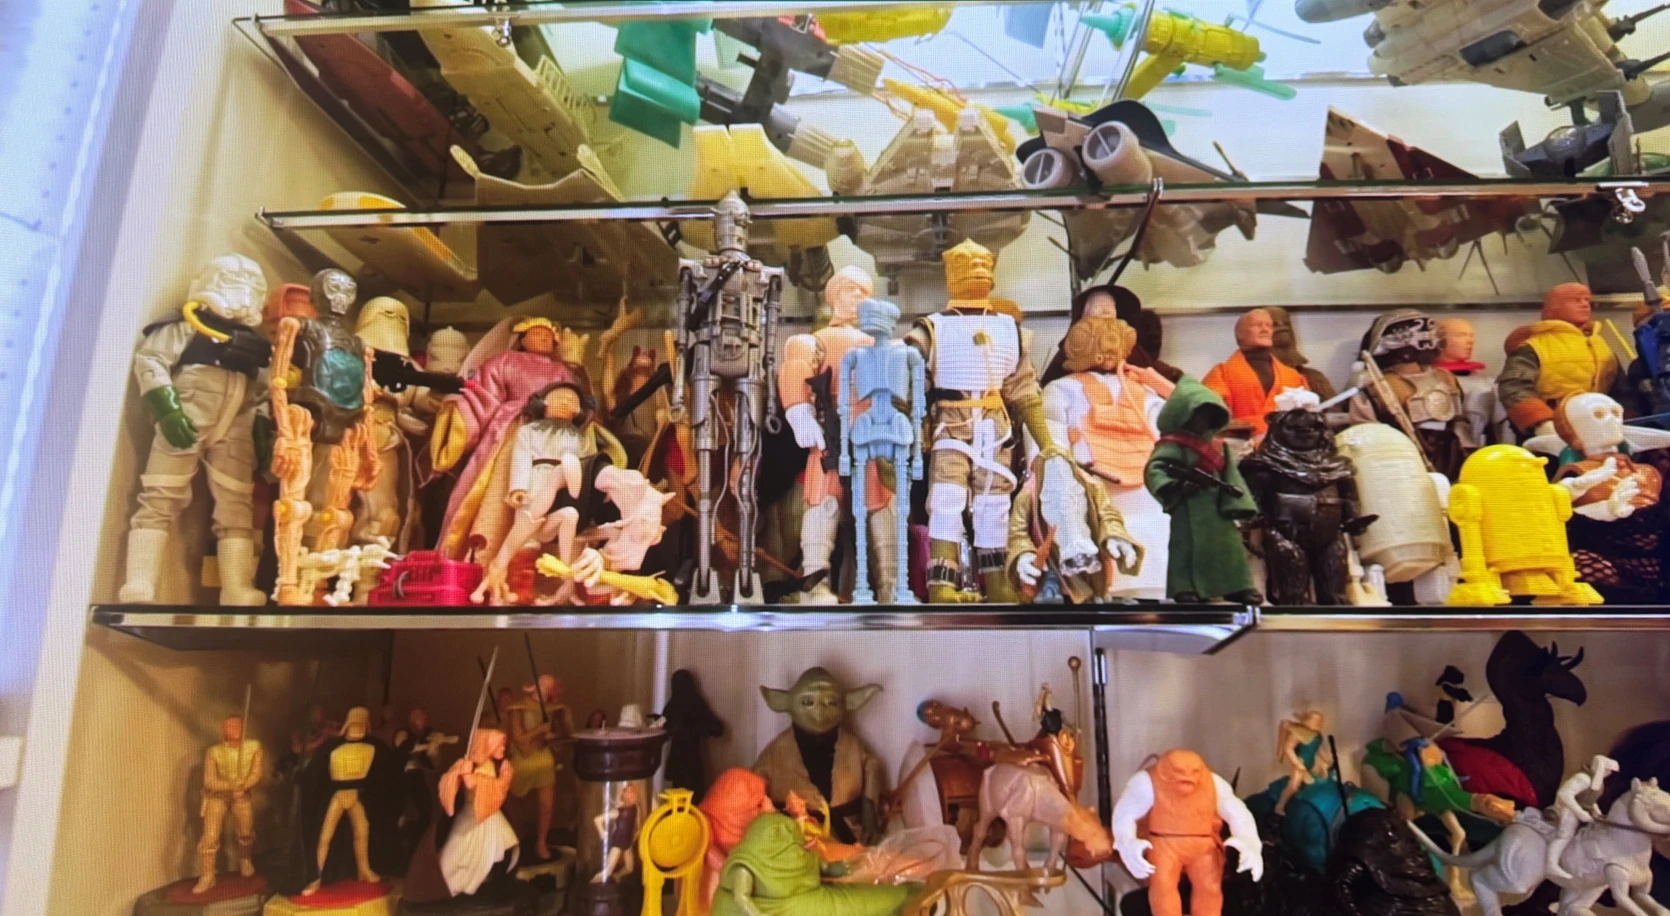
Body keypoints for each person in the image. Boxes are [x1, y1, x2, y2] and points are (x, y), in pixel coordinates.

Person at [1202, 308, 1311, 439]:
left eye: (1269, 326)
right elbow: (1209, 420)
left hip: (1287, 444)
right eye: (1257, 325)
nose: (1265, 329)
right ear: (1240, 334)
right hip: (1240, 444)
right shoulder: (1221, 374)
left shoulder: (1293, 376)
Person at [437, 729, 519, 896]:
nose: (503, 749)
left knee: (500, 850)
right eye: (499, 745)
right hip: (472, 818)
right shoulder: (469, 764)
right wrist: (462, 774)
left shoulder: (490, 766)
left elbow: (491, 789)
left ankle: (493, 885)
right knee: (458, 856)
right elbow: (457, 783)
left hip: (489, 817)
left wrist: (503, 776)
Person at [195, 715, 263, 893]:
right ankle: (207, 876)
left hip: (241, 796)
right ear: (223, 729)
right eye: (229, 726)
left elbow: (256, 774)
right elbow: (209, 781)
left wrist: (244, 786)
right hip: (217, 796)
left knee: (246, 832)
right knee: (210, 837)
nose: (234, 729)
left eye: (237, 726)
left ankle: (245, 859)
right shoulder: (214, 752)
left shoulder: (254, 747)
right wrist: (230, 786)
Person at [507, 675, 572, 861]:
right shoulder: (517, 709)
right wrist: (540, 731)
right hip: (522, 759)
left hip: (543, 758)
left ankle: (541, 842)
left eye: (549, 690)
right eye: (544, 688)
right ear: (534, 688)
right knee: (514, 802)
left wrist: (554, 735)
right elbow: (519, 740)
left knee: (546, 804)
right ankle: (514, 839)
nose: (546, 693)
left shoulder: (553, 710)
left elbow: (563, 735)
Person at [1545, 754, 1618, 881]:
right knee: (1565, 835)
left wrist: (1597, 812)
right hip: (1567, 808)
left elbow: (1590, 799)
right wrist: (1580, 813)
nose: (1609, 773)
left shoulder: (1598, 782)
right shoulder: (1583, 779)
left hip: (1582, 810)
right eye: (1607, 770)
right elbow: (1564, 793)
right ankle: (1550, 864)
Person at [592, 783, 641, 883]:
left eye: (633, 792)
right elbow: (597, 819)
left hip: (628, 843)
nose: (632, 794)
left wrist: (636, 834)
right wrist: (602, 833)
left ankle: (617, 876)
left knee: (629, 868)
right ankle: (591, 884)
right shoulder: (618, 811)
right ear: (623, 795)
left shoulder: (636, 807)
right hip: (618, 843)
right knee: (607, 872)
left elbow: (637, 824)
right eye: (628, 792)